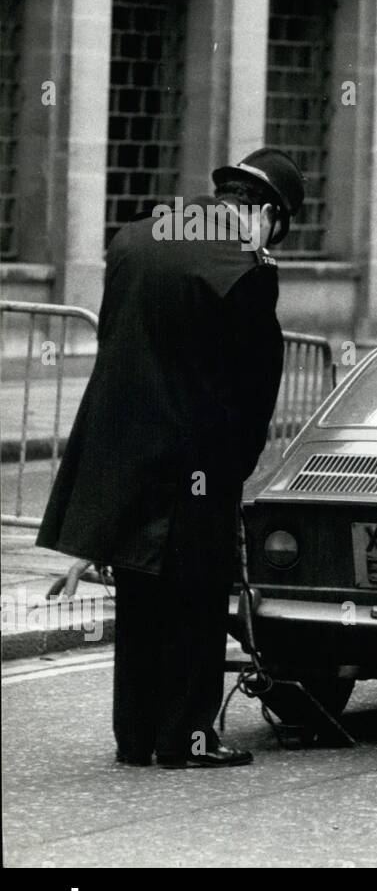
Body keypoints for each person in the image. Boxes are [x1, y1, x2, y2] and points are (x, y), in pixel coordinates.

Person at [39, 148, 305, 768]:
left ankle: (134, 739)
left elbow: (116, 337)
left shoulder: (140, 233)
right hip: (199, 459)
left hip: (129, 441)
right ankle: (187, 738)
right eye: (277, 227)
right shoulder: (248, 267)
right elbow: (254, 384)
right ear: (264, 214)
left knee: (139, 595)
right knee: (197, 599)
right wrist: (236, 466)